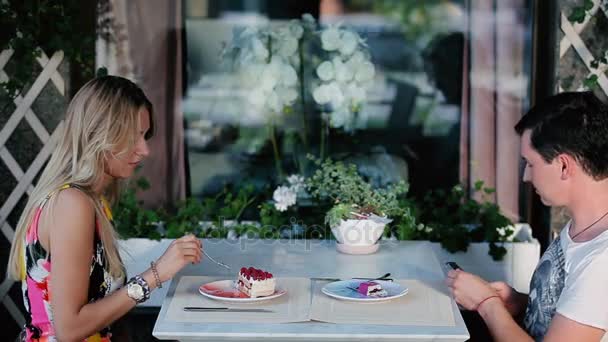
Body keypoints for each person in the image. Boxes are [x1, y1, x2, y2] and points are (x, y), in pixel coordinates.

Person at [7, 75, 203, 341]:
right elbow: (70, 329)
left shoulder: (91, 202)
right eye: (133, 137)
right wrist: (156, 274)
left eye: (145, 136)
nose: (144, 149)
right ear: (99, 135)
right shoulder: (72, 204)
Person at [446, 91, 608, 342]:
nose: (526, 177)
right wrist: (520, 302)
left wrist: (487, 304)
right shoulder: (583, 228)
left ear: (564, 166)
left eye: (531, 164)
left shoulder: (602, 260)